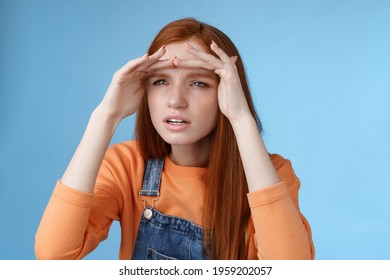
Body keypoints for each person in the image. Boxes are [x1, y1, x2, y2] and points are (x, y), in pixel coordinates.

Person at [35, 18, 315, 260]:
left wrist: (240, 118)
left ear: (226, 91)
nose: (175, 101)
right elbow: (54, 255)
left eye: (198, 83)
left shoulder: (272, 175)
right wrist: (105, 116)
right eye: (160, 81)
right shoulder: (126, 166)